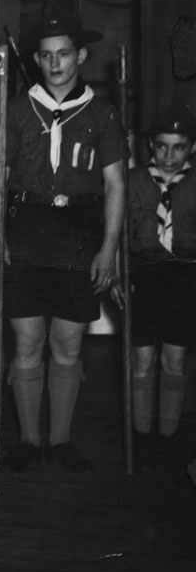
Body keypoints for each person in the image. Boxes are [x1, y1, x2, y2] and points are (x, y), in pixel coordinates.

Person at [0, 8, 127, 474]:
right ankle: (30, 441)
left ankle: (61, 441)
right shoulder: (15, 109)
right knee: (27, 341)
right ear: (36, 59)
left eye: (64, 54)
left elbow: (115, 186)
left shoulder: (103, 112)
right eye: (46, 56)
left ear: (81, 56)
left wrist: (108, 247)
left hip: (78, 232)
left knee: (68, 344)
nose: (55, 64)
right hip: (26, 227)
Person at [116, 103, 196, 468]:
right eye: (161, 146)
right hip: (143, 274)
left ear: (191, 148)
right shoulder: (131, 181)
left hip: (184, 275)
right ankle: (141, 434)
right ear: (150, 145)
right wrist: (117, 273)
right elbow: (115, 233)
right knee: (142, 359)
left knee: (175, 359)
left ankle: (167, 434)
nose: (168, 155)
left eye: (178, 147)